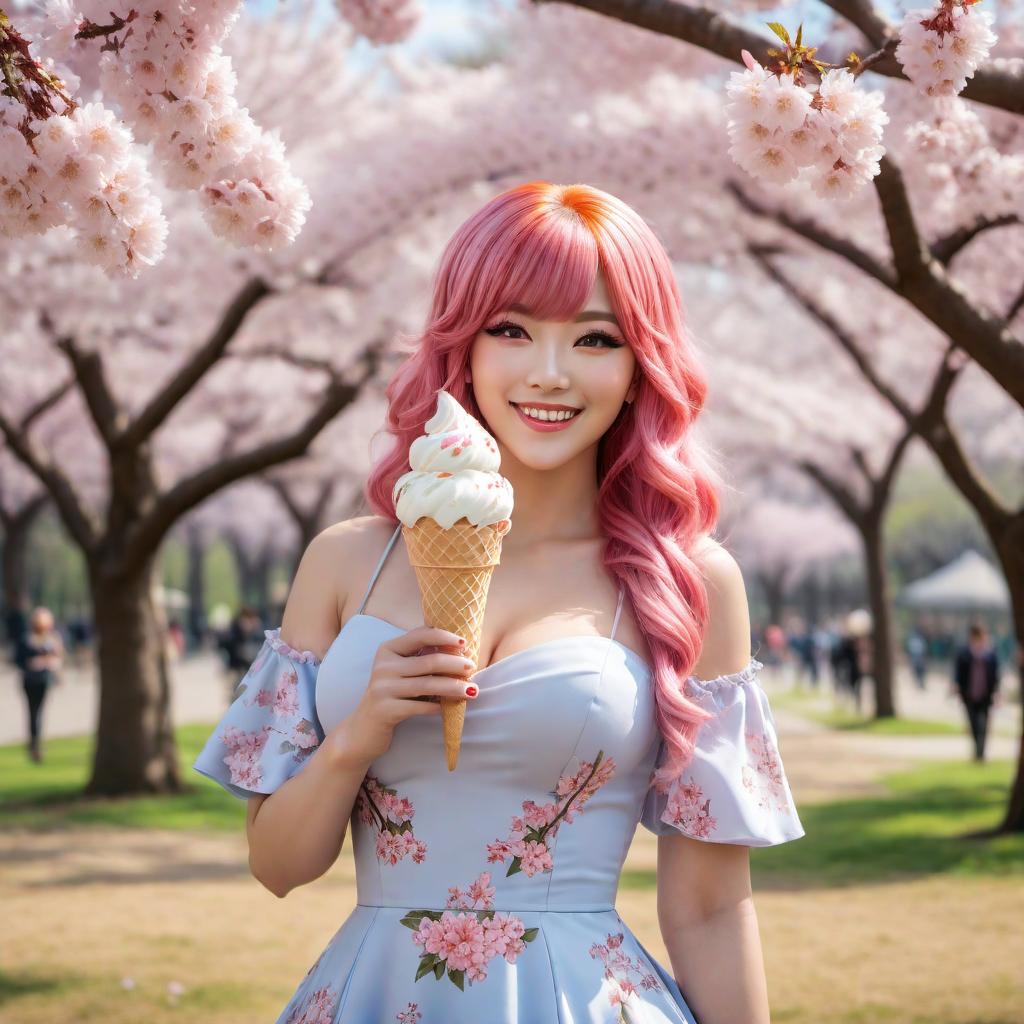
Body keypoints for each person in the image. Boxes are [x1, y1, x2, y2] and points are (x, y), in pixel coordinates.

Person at [193, 182, 805, 1022]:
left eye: (596, 338)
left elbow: (706, 906)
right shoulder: (345, 563)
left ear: (638, 370)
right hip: (373, 993)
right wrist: (354, 737)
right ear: (463, 348)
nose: (548, 373)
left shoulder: (685, 581)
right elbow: (277, 866)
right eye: (511, 329)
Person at [14, 606, 64, 763]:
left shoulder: (52, 639)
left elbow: (58, 658)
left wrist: (56, 670)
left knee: (39, 713)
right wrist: (34, 663)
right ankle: (34, 744)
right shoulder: (27, 640)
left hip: (44, 680)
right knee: (33, 712)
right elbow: (19, 661)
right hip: (30, 681)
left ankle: (36, 743)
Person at [952, 623, 1001, 762]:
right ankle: (977, 749)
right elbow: (958, 673)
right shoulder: (964, 654)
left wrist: (997, 691)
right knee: (973, 723)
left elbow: (996, 675)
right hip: (969, 694)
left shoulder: (990, 654)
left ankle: (981, 752)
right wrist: (957, 687)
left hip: (986, 694)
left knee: (983, 724)